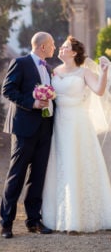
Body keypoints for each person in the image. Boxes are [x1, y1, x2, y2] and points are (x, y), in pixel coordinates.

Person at [42, 36, 111, 232]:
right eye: (61, 47)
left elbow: (99, 90)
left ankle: (81, 216)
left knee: (80, 161)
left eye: (64, 47)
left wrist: (104, 72)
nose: (61, 49)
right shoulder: (54, 72)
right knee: (61, 162)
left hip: (79, 122)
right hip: (59, 122)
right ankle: (61, 214)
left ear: (74, 53)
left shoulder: (84, 72)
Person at [0, 31, 56, 239]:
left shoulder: (48, 68)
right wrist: (31, 102)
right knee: (16, 176)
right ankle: (6, 223)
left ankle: (33, 221)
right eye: (51, 45)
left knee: (38, 176)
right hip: (24, 128)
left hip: (45, 127)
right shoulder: (20, 63)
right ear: (42, 47)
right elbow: (8, 90)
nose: (54, 48)